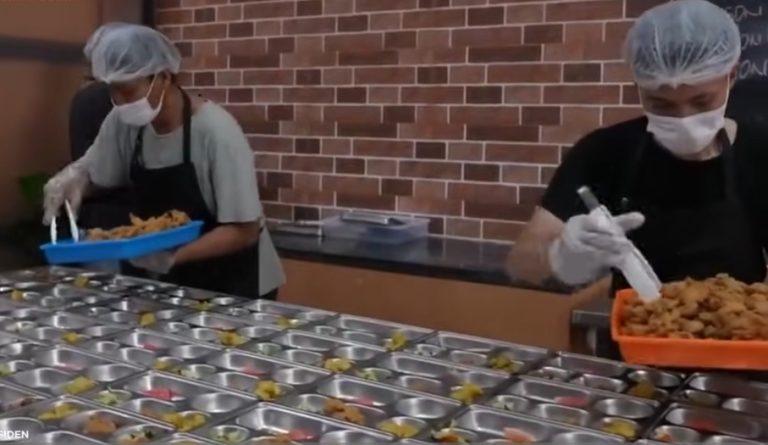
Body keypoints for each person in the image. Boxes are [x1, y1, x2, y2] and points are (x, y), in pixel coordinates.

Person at [507, 0, 768, 356]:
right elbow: (520, 262)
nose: (684, 119)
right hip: (633, 360)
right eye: (662, 104)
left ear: (731, 76)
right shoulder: (603, 152)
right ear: (639, 87)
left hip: (739, 359)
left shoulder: (760, 152)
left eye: (701, 101)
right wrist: (561, 256)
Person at [43, 23, 285, 299]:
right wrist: (74, 179)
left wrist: (171, 258)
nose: (119, 101)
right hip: (178, 283)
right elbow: (97, 170)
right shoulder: (124, 123)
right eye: (113, 90)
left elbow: (244, 231)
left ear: (164, 77)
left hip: (237, 282)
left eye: (128, 90)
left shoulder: (217, 132)